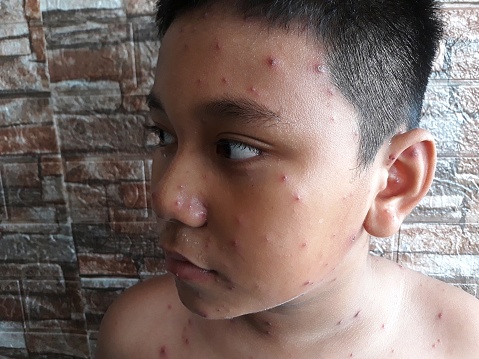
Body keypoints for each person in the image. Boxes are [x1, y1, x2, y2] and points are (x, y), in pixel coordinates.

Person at [95, 0, 479, 357]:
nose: (166, 198)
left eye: (235, 148)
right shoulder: (135, 337)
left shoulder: (462, 345)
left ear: (393, 182)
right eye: (163, 135)